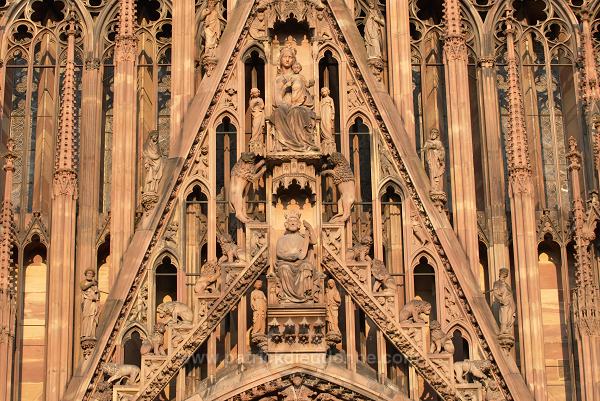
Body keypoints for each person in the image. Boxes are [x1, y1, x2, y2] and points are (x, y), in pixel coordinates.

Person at [271, 45, 318, 152]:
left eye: (290, 57)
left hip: (300, 107)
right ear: (280, 59)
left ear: (294, 60)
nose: (287, 59)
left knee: (296, 111)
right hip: (284, 107)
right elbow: (277, 99)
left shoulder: (299, 76)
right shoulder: (278, 79)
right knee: (278, 112)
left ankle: (302, 144)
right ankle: (286, 143)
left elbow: (305, 95)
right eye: (285, 57)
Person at [275, 211, 316, 303]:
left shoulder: (303, 238)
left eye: (295, 221)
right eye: (290, 221)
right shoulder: (282, 239)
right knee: (284, 268)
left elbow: (314, 241)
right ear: (286, 224)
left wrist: (310, 228)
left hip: (301, 263)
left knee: (306, 267)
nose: (293, 223)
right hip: (286, 263)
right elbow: (279, 253)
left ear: (299, 224)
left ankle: (305, 295)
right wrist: (293, 256)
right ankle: (287, 296)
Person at [80, 269, 100, 339]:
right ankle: (85, 334)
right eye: (88, 273)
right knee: (86, 317)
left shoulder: (95, 285)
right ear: (86, 275)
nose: (89, 275)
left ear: (93, 275)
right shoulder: (83, 282)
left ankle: (91, 334)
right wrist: (92, 283)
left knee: (93, 317)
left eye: (91, 274)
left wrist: (96, 295)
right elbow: (83, 287)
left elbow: (98, 295)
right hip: (87, 302)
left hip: (93, 303)